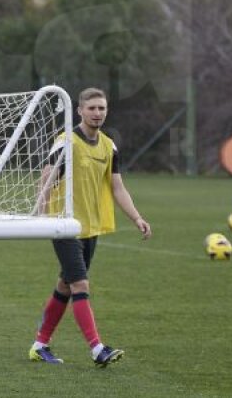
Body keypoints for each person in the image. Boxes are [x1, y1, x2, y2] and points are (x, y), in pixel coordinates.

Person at [28, 87, 152, 367]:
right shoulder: (67, 142)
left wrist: (137, 218)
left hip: (91, 226)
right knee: (80, 284)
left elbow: (117, 187)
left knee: (66, 285)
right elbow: (47, 177)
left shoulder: (109, 146)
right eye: (92, 108)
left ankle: (40, 345)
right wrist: (41, 213)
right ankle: (97, 348)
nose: (97, 113)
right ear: (80, 111)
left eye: (102, 108)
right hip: (64, 225)